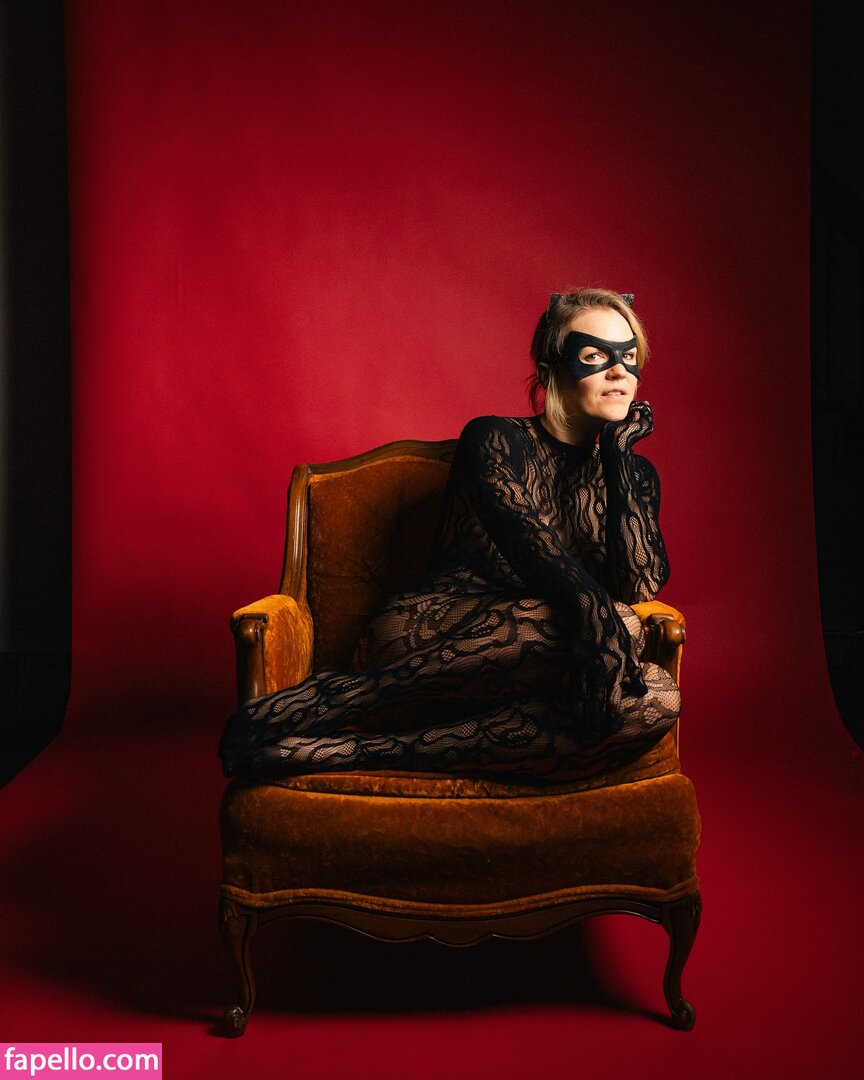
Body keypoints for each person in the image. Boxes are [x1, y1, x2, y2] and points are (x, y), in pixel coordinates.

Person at [218, 288, 681, 781]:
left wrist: (617, 460)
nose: (619, 372)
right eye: (594, 357)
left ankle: (352, 751)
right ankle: (338, 697)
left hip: (537, 677)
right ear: (550, 370)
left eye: (629, 357)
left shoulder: (636, 476)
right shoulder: (494, 438)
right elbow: (529, 545)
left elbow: (638, 586)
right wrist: (595, 609)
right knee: (618, 625)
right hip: (428, 641)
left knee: (657, 696)